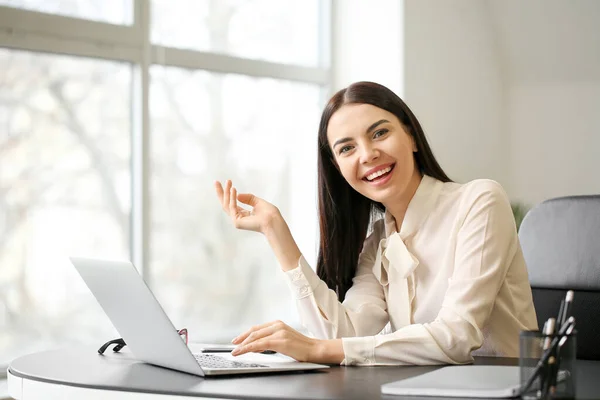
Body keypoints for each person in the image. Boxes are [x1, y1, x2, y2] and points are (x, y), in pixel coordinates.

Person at [214, 81, 537, 366]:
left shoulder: (480, 201)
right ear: (338, 167)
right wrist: (275, 231)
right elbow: (343, 332)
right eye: (347, 148)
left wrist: (318, 350)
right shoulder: (378, 242)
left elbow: (457, 336)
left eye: (379, 133)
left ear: (410, 135)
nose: (367, 155)